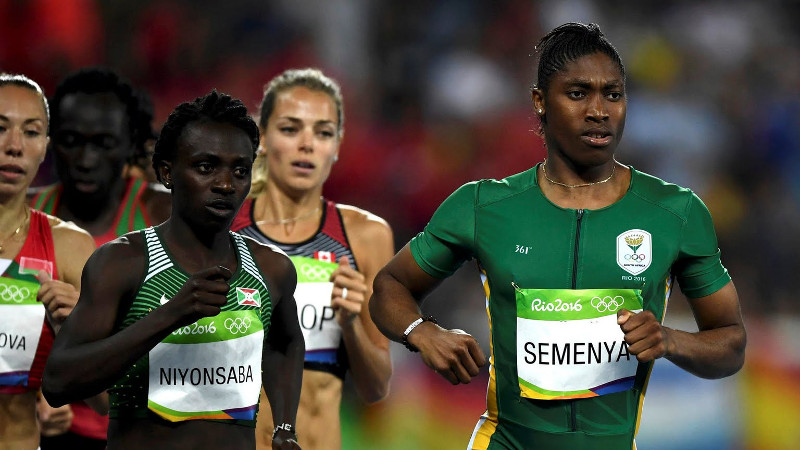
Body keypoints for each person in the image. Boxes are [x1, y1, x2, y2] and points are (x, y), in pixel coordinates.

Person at [369, 22, 747, 450]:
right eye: (578, 93)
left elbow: (731, 343)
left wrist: (669, 339)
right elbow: (389, 286)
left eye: (613, 94)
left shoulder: (675, 213)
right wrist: (421, 331)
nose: (599, 110)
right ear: (540, 102)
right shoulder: (482, 206)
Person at [41, 90, 305, 449]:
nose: (226, 185)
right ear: (167, 172)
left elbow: (284, 344)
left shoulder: (271, 269)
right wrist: (170, 315)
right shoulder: (122, 263)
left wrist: (285, 427)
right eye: (206, 167)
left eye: (240, 170)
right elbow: (58, 383)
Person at [231, 68, 393, 450]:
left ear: (337, 145)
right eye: (290, 129)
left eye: (322, 133)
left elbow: (376, 389)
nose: (307, 144)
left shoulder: (365, 236)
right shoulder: (225, 229)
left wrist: (351, 325)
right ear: (263, 139)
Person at [28, 66, 170, 449]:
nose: (86, 159)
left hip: (138, 433)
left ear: (131, 144)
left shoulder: (165, 216)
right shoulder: (18, 217)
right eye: (71, 140)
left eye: (104, 143)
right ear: (49, 141)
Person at [0, 73, 96, 450]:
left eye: (31, 132)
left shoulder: (69, 248)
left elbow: (108, 401)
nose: (14, 147)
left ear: (45, 148)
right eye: (1, 127)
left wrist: (75, 336)